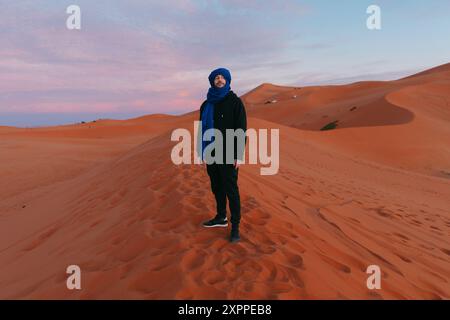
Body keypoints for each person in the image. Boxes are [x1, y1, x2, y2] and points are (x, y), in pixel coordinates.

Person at [198, 67, 247, 243]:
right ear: (212, 81)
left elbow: (241, 129)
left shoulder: (234, 102)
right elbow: (201, 129)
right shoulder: (206, 104)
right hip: (210, 151)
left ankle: (235, 227)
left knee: (231, 190)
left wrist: (239, 155)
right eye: (216, 77)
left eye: (222, 77)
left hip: (228, 152)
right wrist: (201, 152)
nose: (219, 80)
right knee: (216, 186)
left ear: (227, 80)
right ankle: (221, 217)